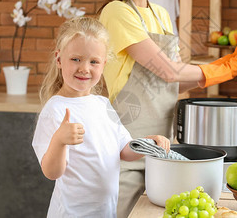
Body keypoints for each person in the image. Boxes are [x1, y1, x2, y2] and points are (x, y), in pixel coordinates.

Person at [97, 0, 237, 217]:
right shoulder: (116, 12)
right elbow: (169, 71)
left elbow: (176, 83)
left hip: (163, 151)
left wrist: (228, 65)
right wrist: (228, 66)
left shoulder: (160, 14)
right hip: (129, 150)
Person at [32, 17, 170, 218]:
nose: (84, 68)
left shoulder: (102, 104)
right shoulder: (55, 109)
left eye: (93, 61)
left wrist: (150, 144)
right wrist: (59, 141)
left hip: (105, 212)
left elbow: (124, 149)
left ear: (103, 64)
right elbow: (51, 172)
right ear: (59, 59)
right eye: (76, 59)